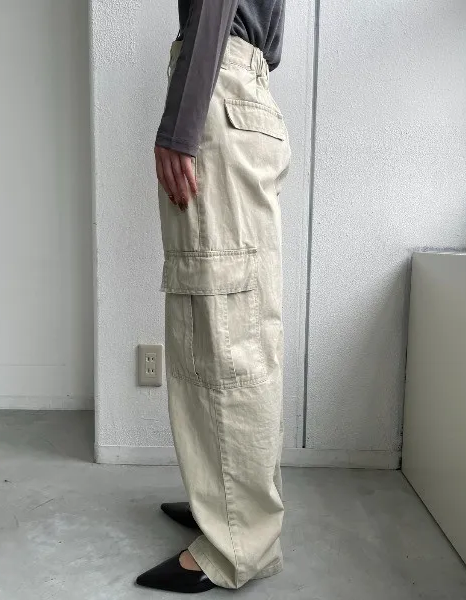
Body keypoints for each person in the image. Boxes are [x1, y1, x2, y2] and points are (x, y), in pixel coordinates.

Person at [136, 0, 291, 593]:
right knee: (235, 322)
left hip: (216, 84)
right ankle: (228, 505)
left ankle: (239, 543)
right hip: (238, 84)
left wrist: (182, 120)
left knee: (226, 327)